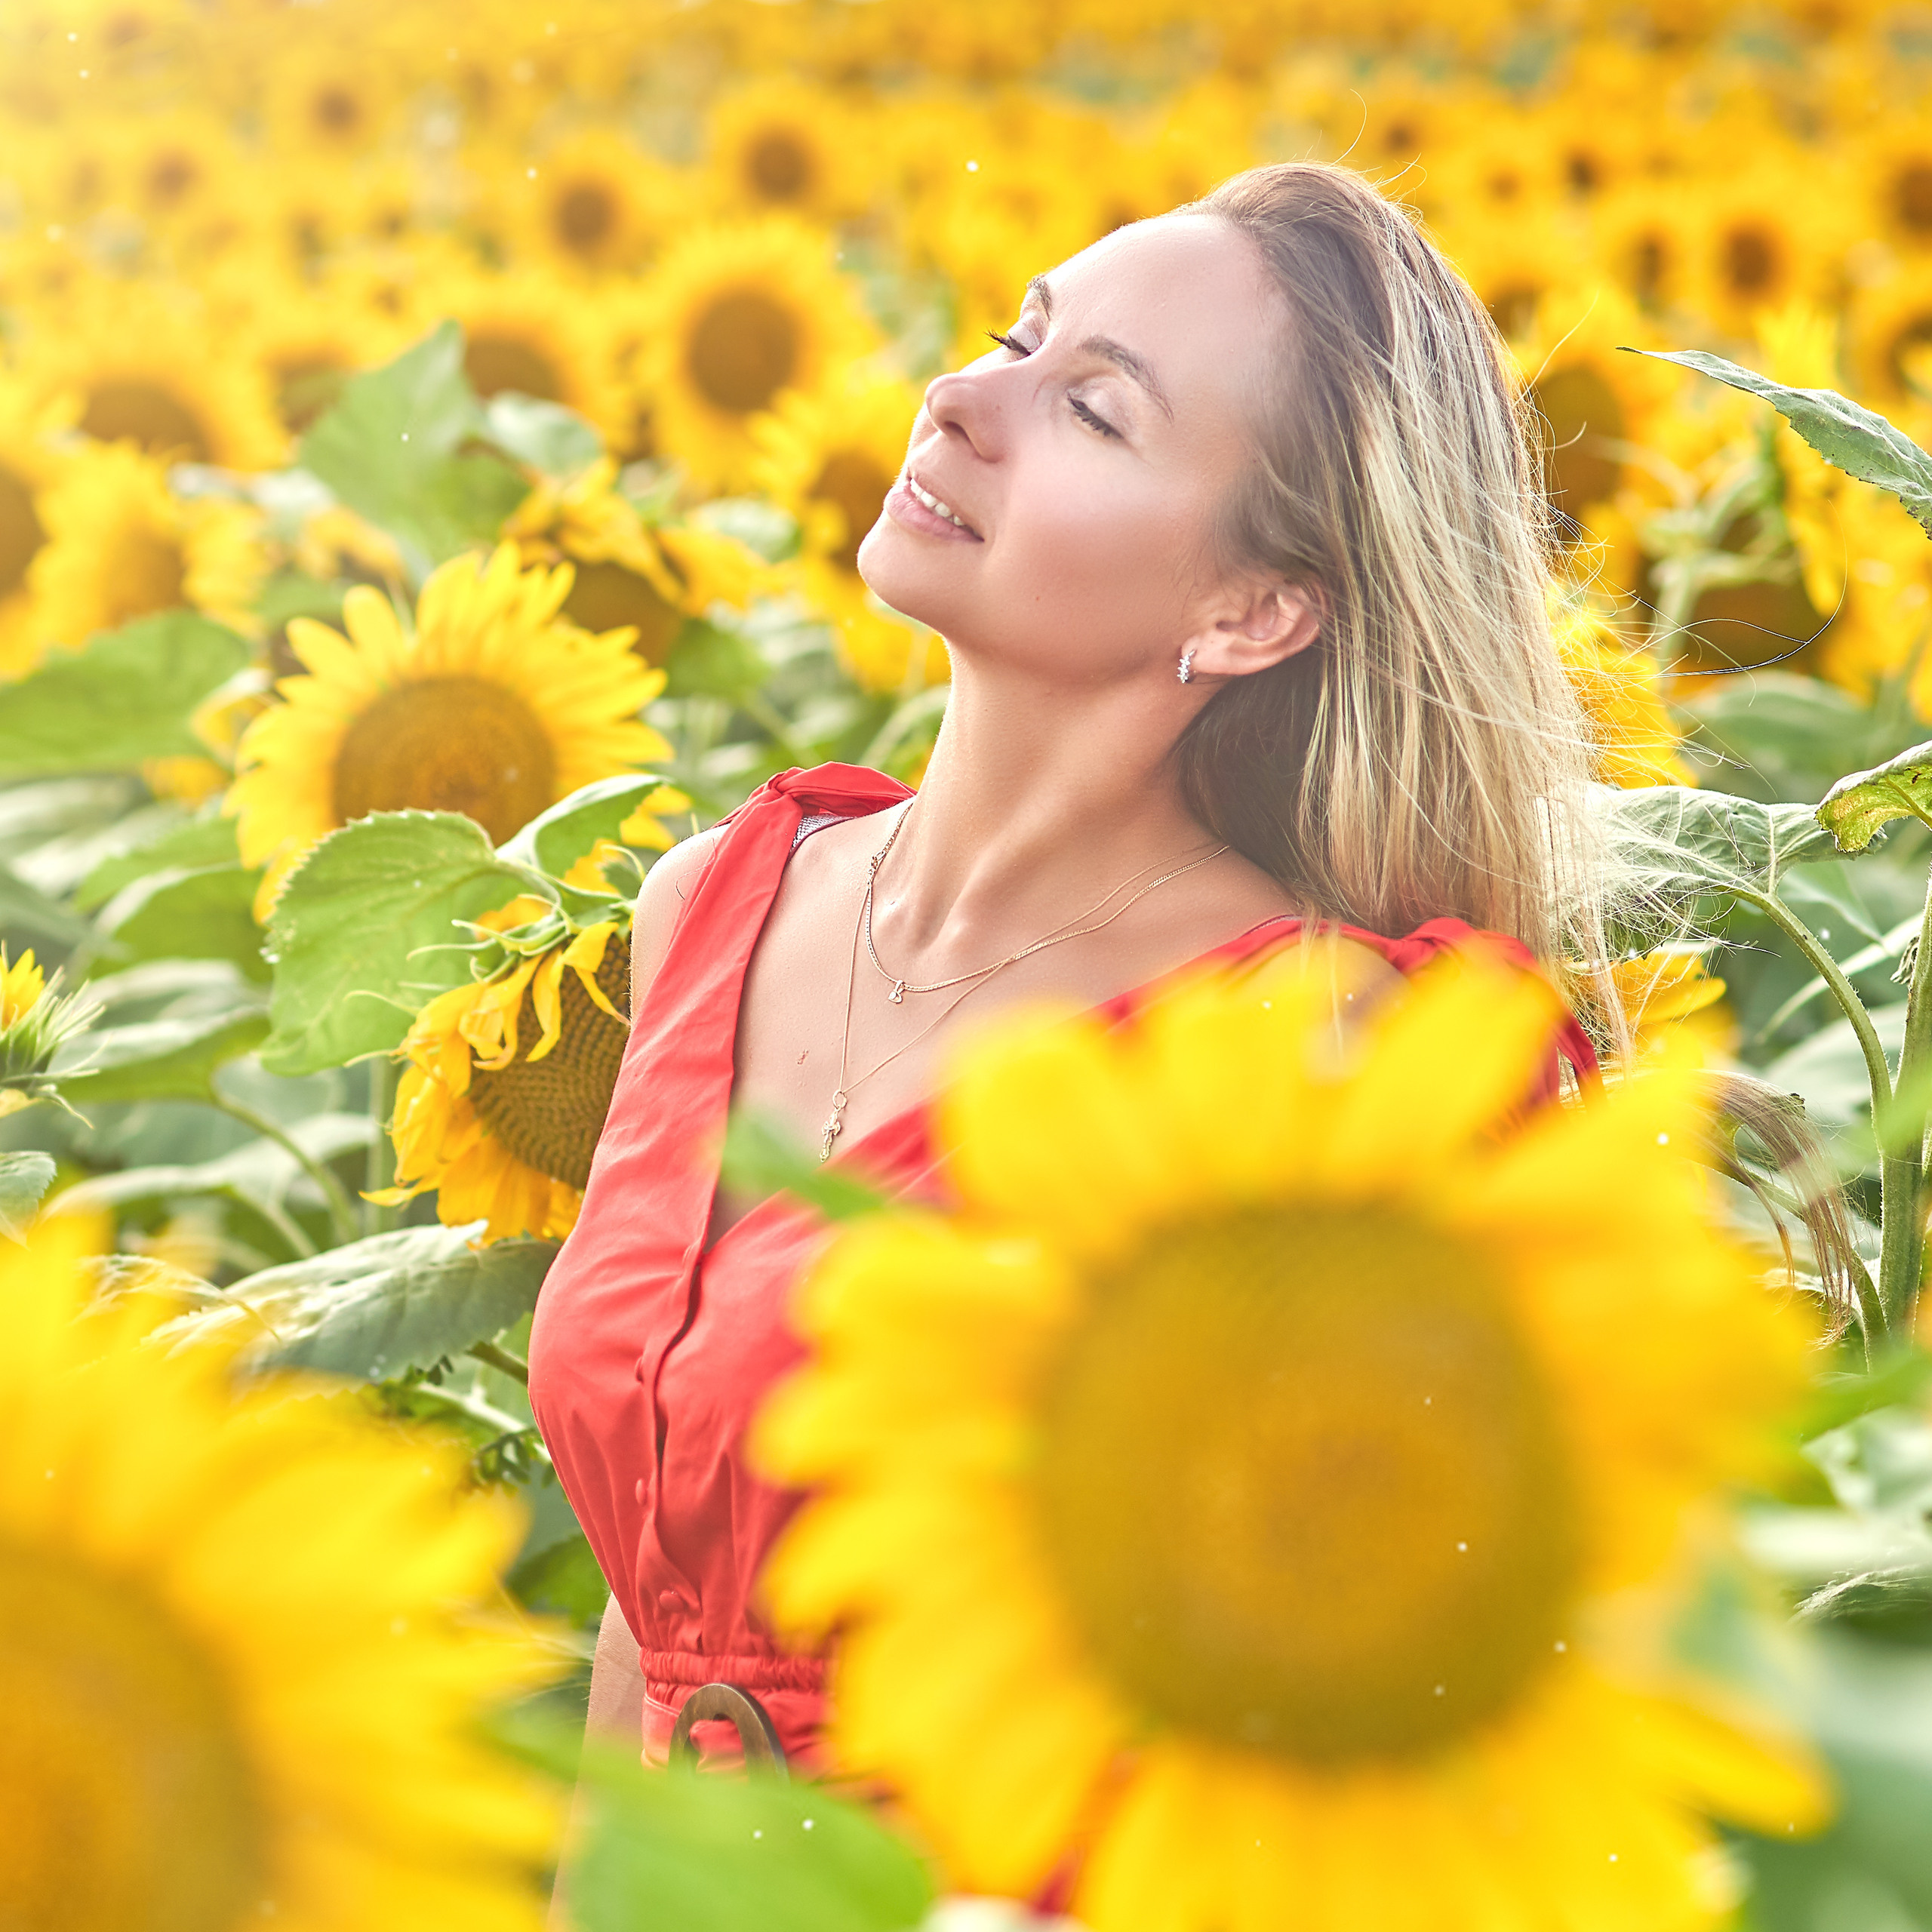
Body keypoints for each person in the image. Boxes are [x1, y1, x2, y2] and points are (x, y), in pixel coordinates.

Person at [529, 160, 1616, 1911]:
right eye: (1012, 338)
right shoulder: (711, 907)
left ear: (1254, 609)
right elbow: (647, 1615)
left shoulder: (1314, 1042)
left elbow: (1412, 1710)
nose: (960, 400)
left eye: (1092, 408)